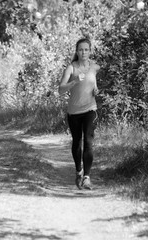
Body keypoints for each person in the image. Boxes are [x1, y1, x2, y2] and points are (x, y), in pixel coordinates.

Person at [59, 38, 100, 190]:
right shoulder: (71, 68)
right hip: (74, 111)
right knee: (77, 141)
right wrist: (74, 81)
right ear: (77, 52)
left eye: (86, 50)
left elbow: (94, 85)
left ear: (90, 51)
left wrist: (96, 90)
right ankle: (78, 171)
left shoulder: (94, 67)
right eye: (81, 50)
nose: (84, 52)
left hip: (90, 109)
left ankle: (87, 178)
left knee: (88, 141)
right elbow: (61, 90)